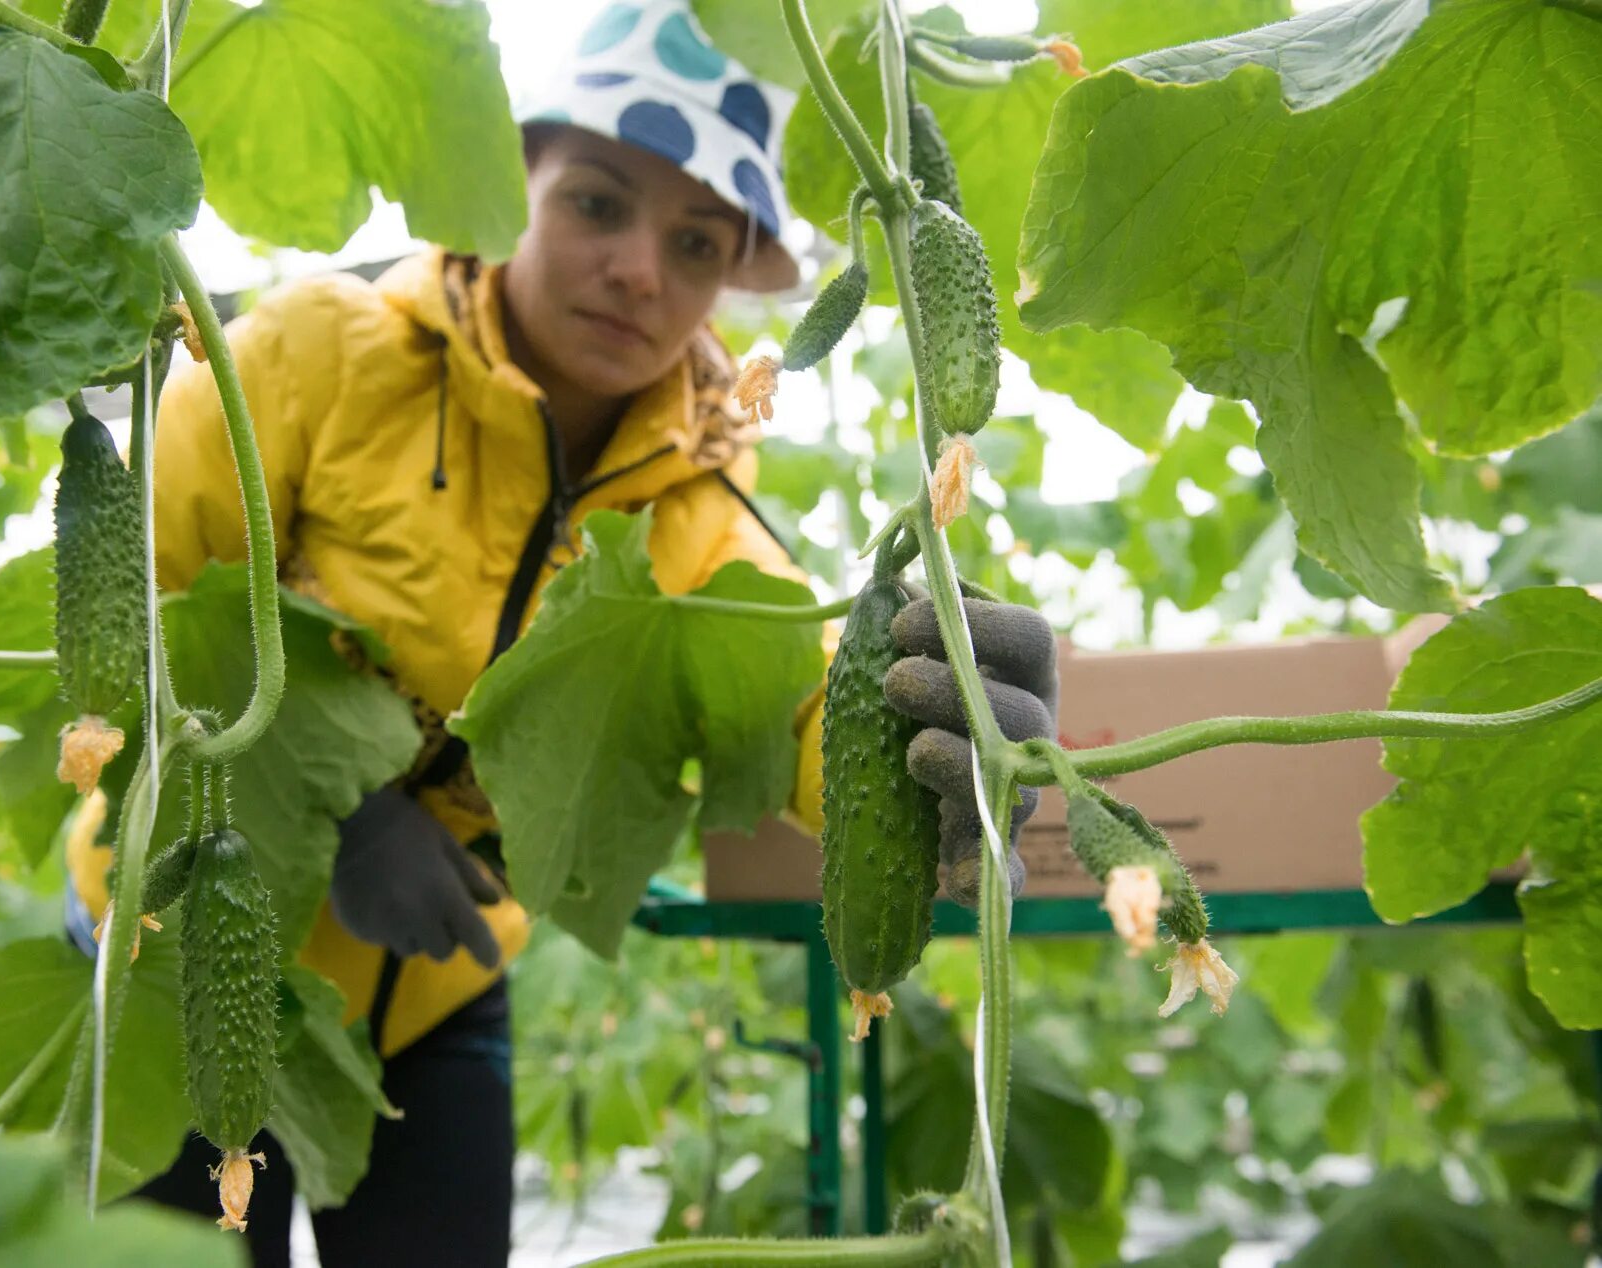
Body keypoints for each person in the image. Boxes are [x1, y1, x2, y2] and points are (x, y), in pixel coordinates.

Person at [65, 3, 1058, 1263]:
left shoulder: (698, 507)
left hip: (430, 1000)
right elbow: (123, 612)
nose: (642, 268)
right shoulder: (316, 352)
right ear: (517, 182)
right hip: (164, 955)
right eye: (597, 203)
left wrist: (940, 738)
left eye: (696, 239)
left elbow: (804, 690)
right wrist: (336, 804)